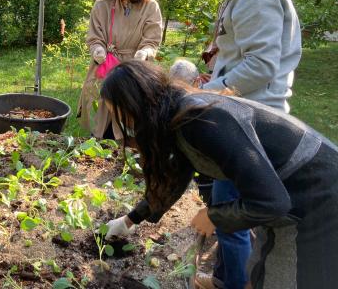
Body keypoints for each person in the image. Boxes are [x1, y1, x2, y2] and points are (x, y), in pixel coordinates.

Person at [103, 60, 338, 289]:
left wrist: (214, 216)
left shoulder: (200, 121)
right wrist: (130, 219)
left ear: (135, 105)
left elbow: (272, 202)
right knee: (261, 272)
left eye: (122, 114)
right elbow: (174, 177)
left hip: (319, 197)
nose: (128, 124)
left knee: (288, 279)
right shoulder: (176, 115)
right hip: (294, 194)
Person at [192, 0, 303, 287]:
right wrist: (217, 62)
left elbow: (261, 66)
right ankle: (226, 277)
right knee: (231, 209)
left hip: (253, 119)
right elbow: (245, 52)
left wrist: (210, 91)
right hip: (243, 111)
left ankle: (232, 284)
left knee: (229, 214)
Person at [78, 0, 162, 140]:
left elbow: (152, 39)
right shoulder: (102, 6)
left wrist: (145, 52)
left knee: (130, 120)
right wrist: (97, 49)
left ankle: (128, 159)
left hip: (133, 71)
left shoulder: (150, 7)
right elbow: (94, 36)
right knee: (100, 117)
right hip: (105, 65)